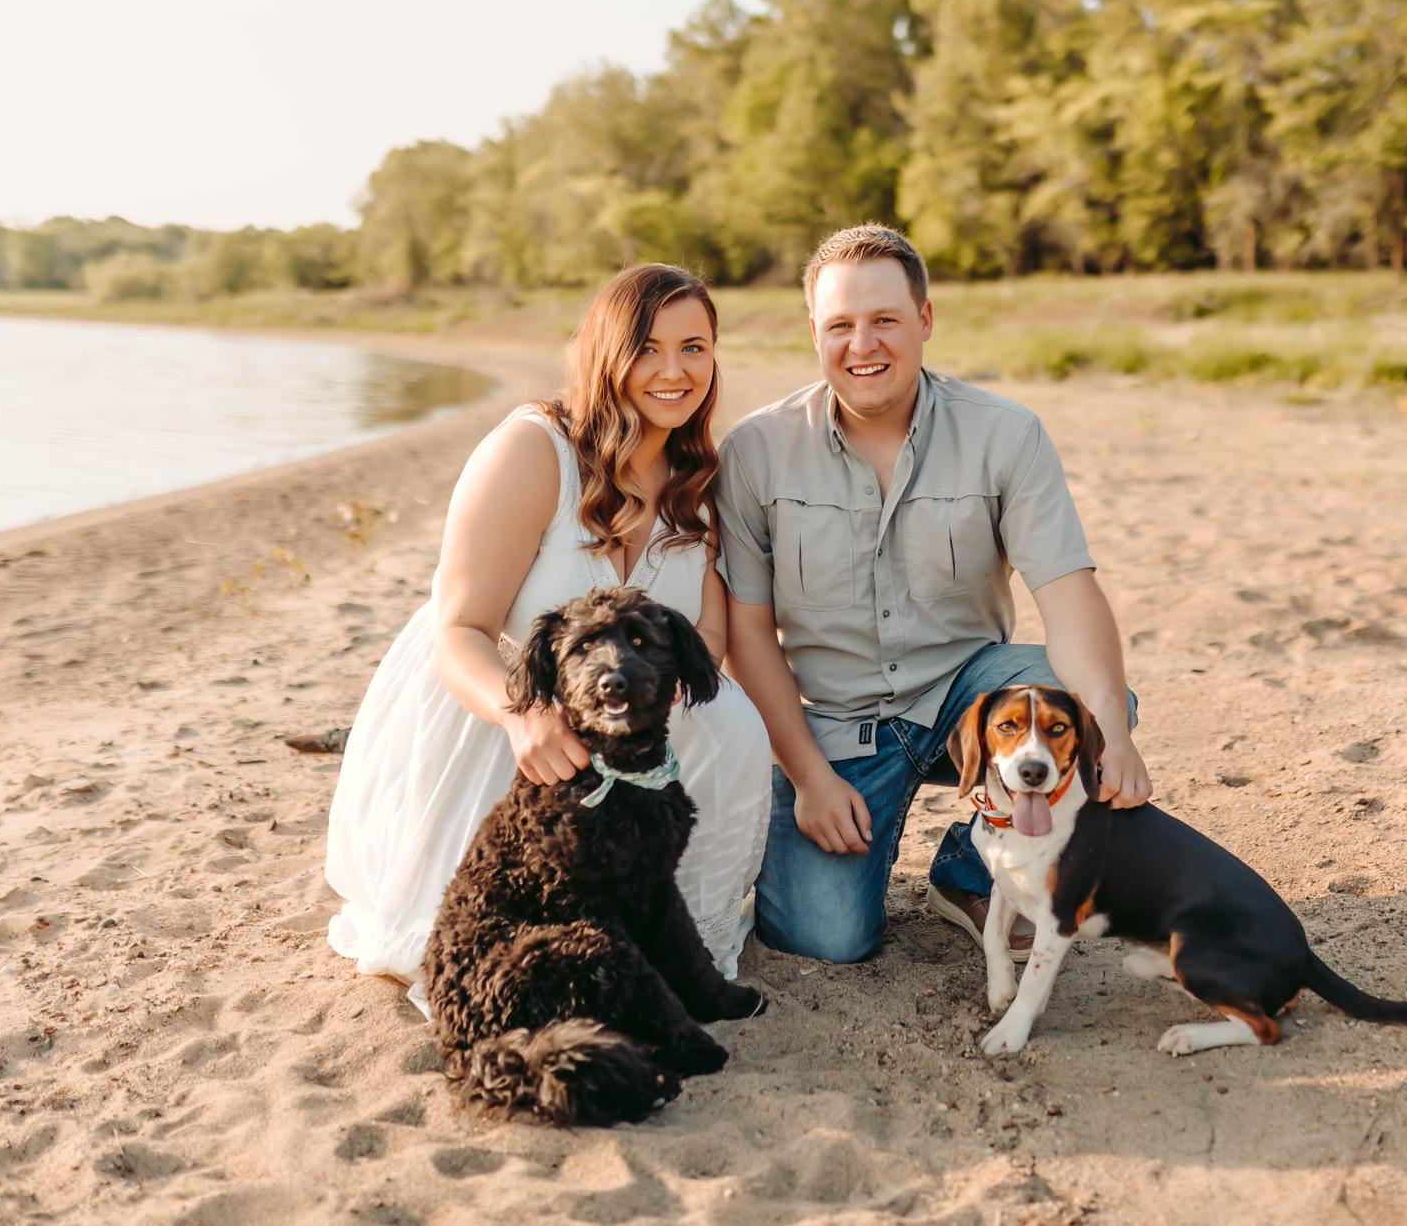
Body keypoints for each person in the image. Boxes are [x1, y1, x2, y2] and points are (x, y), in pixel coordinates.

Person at [325, 263, 771, 1013]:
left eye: (694, 347)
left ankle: (681, 934)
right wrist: (523, 715)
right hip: (494, 703)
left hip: (626, 713)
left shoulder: (698, 478)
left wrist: (653, 704)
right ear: (605, 353)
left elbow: (708, 633)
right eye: (647, 349)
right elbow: (459, 628)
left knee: (731, 719)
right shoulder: (534, 450)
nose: (674, 371)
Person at [717, 223, 1151, 965]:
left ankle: (966, 865)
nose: (863, 345)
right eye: (840, 325)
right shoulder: (755, 452)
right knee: (823, 936)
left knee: (1083, 705)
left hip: (967, 701)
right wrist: (810, 778)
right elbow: (748, 635)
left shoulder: (1005, 435)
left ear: (924, 319)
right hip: (838, 725)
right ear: (814, 332)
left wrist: (1113, 729)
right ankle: (863, 835)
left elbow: (1067, 591)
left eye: (885, 320)